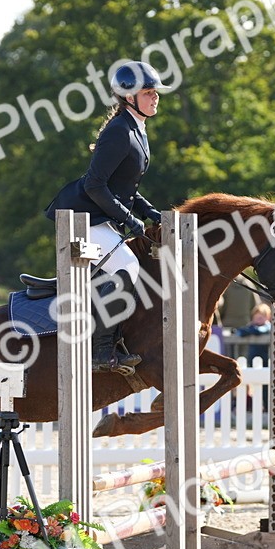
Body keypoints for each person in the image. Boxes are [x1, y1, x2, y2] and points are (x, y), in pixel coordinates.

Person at [45, 60, 170, 373]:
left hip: (99, 216)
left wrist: (148, 210)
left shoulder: (135, 129)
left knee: (132, 266)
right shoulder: (118, 132)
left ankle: (113, 340)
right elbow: (94, 184)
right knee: (127, 266)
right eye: (148, 92)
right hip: (81, 218)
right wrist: (128, 218)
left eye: (155, 92)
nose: (155, 97)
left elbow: (123, 186)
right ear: (130, 97)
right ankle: (99, 349)